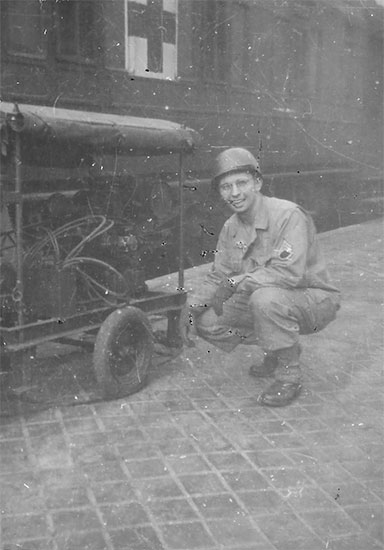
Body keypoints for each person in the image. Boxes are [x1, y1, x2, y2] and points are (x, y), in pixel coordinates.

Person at [185, 147, 340, 407]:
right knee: (208, 322)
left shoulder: (288, 215)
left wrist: (237, 281)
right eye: (225, 187)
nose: (234, 193)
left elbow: (288, 274)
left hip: (313, 299)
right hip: (272, 299)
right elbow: (218, 276)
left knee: (264, 299)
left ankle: (289, 375)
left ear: (257, 182)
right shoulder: (231, 227)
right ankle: (280, 348)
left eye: (241, 183)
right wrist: (191, 307)